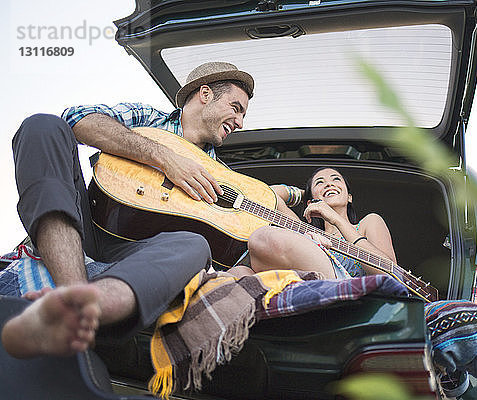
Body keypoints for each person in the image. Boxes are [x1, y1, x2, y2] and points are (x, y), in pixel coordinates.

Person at [1, 62, 273, 359]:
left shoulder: (222, 175)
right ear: (205, 94)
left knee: (196, 245)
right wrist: (164, 156)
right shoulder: (147, 120)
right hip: (88, 226)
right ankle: (72, 292)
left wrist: (296, 203)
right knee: (42, 126)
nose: (240, 121)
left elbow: (258, 213)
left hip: (143, 254)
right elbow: (77, 119)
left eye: (242, 114)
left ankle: (93, 307)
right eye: (236, 108)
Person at [231, 167, 397, 279]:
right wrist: (305, 195)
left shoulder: (368, 223)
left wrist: (336, 219)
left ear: (349, 197)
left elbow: (392, 274)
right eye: (320, 182)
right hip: (311, 288)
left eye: (336, 180)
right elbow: (270, 194)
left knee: (264, 237)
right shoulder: (305, 232)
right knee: (239, 273)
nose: (329, 183)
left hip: (352, 291)